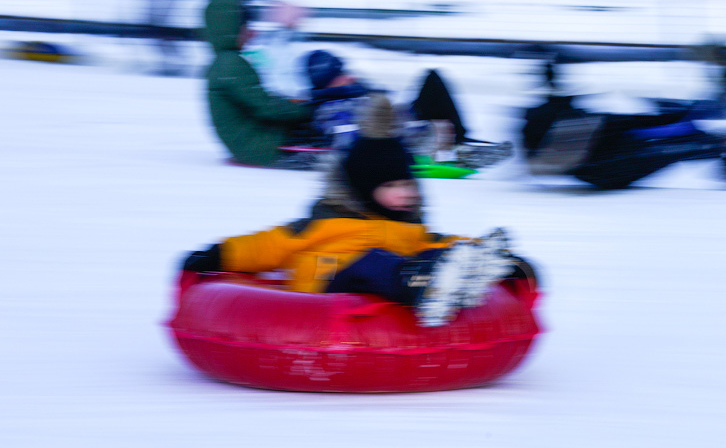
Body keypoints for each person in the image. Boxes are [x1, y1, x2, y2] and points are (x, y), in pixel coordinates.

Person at [181, 94, 537, 327]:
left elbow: (441, 242)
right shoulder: (322, 224)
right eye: (391, 186)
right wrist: (217, 255)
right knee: (375, 260)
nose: (403, 194)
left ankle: (458, 276)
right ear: (366, 190)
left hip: (390, 283)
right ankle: (426, 283)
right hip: (326, 286)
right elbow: (267, 245)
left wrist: (504, 260)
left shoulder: (412, 231)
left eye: (407, 184)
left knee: (430, 252)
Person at [521, 63, 726, 189]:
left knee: (645, 131)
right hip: (599, 165)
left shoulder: (561, 124)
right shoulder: (564, 127)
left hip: (596, 159)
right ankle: (711, 126)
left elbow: (636, 129)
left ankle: (711, 126)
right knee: (653, 135)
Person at [302, 49, 514, 169]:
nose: (349, 75)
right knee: (433, 85)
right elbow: (349, 140)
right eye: (341, 73)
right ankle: (458, 146)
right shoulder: (328, 109)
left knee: (433, 78)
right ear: (327, 80)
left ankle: (461, 142)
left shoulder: (350, 92)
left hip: (404, 122)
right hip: (402, 138)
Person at [203, 0, 321, 168]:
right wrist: (308, 110)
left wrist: (295, 106)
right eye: (245, 27)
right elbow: (266, 106)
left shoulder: (224, 62)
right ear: (230, 29)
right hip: (263, 146)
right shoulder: (231, 63)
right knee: (329, 145)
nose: (251, 33)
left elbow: (258, 101)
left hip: (253, 140)